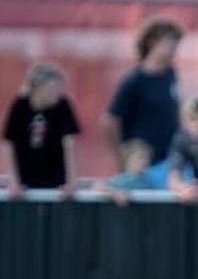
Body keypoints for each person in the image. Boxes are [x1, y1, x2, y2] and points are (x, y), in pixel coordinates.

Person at [103, 17, 184, 189]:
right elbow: (110, 121)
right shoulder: (135, 80)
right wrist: (122, 158)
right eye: (169, 43)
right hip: (142, 168)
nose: (174, 49)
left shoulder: (170, 75)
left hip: (168, 164)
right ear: (152, 42)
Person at [1, 62, 81, 197]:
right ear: (37, 88)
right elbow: (9, 143)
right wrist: (13, 180)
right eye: (52, 88)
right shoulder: (20, 106)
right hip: (26, 177)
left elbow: (70, 143)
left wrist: (71, 180)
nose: (57, 92)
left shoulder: (63, 105)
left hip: (56, 177)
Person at [97, 138, 154, 205]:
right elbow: (99, 186)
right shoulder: (123, 179)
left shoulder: (147, 180)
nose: (145, 161)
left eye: (147, 158)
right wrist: (116, 193)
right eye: (140, 157)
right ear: (127, 159)